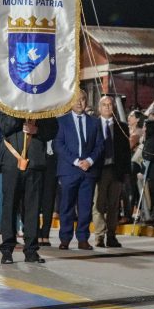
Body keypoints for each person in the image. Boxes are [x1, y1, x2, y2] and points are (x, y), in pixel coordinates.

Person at [0, 111, 57, 264]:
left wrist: (38, 130)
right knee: (9, 205)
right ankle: (7, 249)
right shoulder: (6, 102)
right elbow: (4, 127)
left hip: (35, 161)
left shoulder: (41, 104)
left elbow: (53, 129)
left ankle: (31, 250)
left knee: (33, 207)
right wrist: (19, 114)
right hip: (11, 160)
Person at [54, 89, 103, 250]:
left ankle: (83, 238)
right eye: (76, 100)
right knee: (66, 205)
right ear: (70, 102)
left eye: (82, 99)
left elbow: (99, 145)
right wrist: (76, 161)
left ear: (86, 101)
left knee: (85, 206)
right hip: (69, 170)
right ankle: (65, 238)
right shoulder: (62, 121)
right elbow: (58, 145)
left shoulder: (94, 122)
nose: (79, 102)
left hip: (88, 171)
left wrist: (89, 161)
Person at [93, 95, 131, 248]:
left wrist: (126, 172)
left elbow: (126, 151)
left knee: (114, 205)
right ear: (99, 108)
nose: (108, 107)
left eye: (110, 104)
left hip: (116, 170)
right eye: (104, 104)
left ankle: (111, 235)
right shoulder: (94, 125)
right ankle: (99, 236)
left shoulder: (122, 126)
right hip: (100, 170)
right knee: (98, 204)